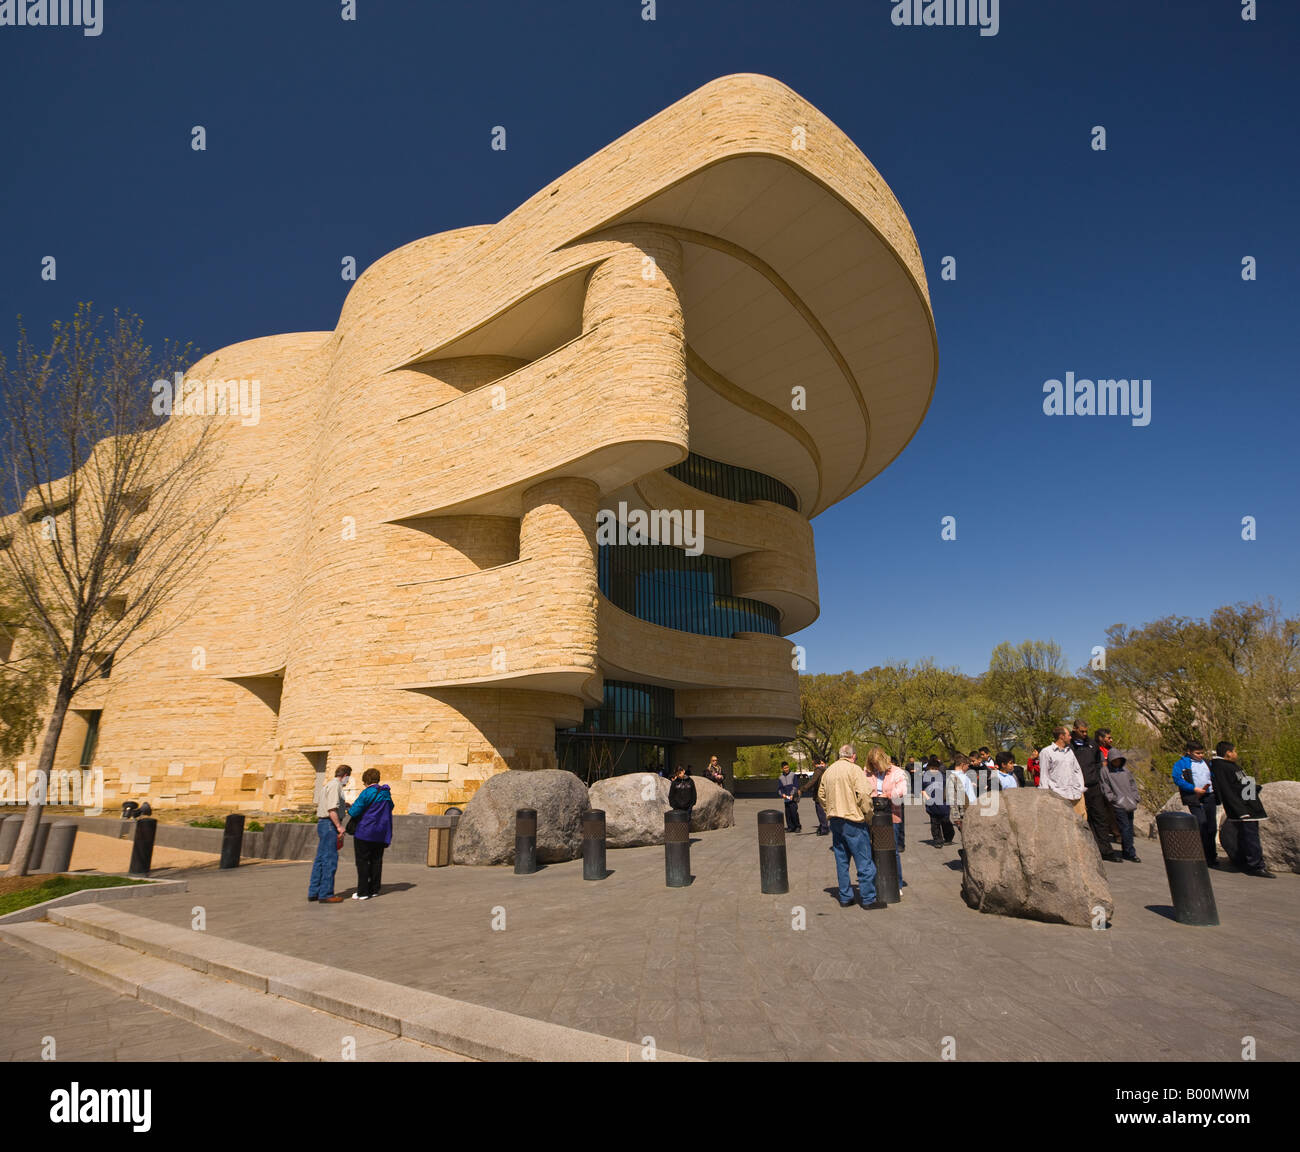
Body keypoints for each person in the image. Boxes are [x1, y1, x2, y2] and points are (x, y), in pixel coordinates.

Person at [817, 744, 885, 910]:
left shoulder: (829, 771)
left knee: (842, 861)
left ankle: (845, 897)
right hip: (853, 820)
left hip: (835, 820)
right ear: (853, 756)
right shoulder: (854, 770)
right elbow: (863, 795)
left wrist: (830, 810)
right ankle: (869, 899)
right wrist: (868, 815)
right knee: (864, 861)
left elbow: (821, 795)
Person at [1208, 742, 1273, 877]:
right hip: (1243, 809)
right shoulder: (1221, 767)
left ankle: (1248, 862)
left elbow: (1241, 784)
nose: (1236, 754)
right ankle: (1255, 866)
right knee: (1250, 837)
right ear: (1228, 753)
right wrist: (1240, 810)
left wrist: (1255, 788)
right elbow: (1227, 790)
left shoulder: (1230, 766)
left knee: (1247, 836)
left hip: (1248, 806)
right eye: (1235, 751)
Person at [1070, 720, 1121, 862]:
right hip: (1077, 788)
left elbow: (1100, 762)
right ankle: (1084, 851)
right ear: (1074, 729)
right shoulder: (1069, 746)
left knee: (1100, 817)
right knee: (1080, 819)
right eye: (1082, 731)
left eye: (1086, 731)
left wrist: (1098, 776)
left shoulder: (1092, 744)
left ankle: (1106, 850)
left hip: (1093, 785)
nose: (1085, 734)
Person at [308, 764, 351, 904]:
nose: (348, 780)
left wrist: (345, 805)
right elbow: (332, 809)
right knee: (330, 860)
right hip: (329, 825)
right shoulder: (336, 786)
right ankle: (326, 893)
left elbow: (332, 804)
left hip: (322, 824)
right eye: (348, 777)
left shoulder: (328, 785)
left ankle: (314, 891)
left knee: (320, 859)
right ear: (345, 775)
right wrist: (339, 826)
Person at [348, 768, 394, 899]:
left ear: (366, 780)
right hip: (381, 833)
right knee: (376, 861)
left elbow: (354, 811)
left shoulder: (367, 793)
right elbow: (390, 807)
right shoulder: (386, 794)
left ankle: (362, 892)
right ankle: (374, 889)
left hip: (365, 831)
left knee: (362, 861)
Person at [1171, 740, 1218, 866]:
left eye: (1202, 753)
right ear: (1189, 752)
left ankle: (1212, 856)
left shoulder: (1207, 763)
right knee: (1201, 823)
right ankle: (1202, 854)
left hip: (1209, 795)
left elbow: (1214, 776)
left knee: (1211, 827)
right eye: (1198, 753)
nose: (1200, 755)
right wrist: (1192, 788)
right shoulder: (1182, 764)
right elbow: (1177, 779)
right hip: (1194, 796)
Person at [867, 747, 907, 882]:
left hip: (892, 814)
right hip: (873, 815)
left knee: (892, 850)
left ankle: (897, 883)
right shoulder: (867, 772)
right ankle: (878, 880)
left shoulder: (897, 772)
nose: (875, 766)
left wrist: (887, 795)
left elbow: (903, 789)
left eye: (876, 763)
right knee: (874, 849)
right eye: (872, 763)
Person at [1098, 754, 1141, 862]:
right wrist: (1113, 799)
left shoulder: (1125, 771)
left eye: (1119, 760)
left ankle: (1127, 850)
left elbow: (1133, 784)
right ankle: (1130, 852)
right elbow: (1105, 786)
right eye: (1115, 760)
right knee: (1125, 828)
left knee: (1129, 828)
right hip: (1118, 804)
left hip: (1130, 803)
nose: (1117, 762)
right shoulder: (1105, 771)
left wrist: (1136, 797)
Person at [1039, 726, 1086, 817]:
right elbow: (1044, 776)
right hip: (1060, 796)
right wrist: (1045, 796)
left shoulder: (1069, 751)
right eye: (1068, 735)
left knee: (1082, 824)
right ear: (1061, 736)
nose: (1070, 737)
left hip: (1076, 795)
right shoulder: (1046, 752)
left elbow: (1077, 770)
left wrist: (1081, 788)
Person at [921, 755, 954, 846]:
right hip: (931, 804)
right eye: (931, 768)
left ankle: (948, 837)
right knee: (935, 823)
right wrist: (927, 798)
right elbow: (922, 790)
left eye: (935, 769)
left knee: (945, 821)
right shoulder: (925, 778)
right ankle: (938, 840)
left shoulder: (944, 777)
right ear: (928, 768)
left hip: (943, 804)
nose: (933, 771)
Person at [800, 758, 831, 835]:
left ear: (814, 763)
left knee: (820, 812)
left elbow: (813, 781)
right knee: (822, 811)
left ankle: (824, 828)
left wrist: (802, 789)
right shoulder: (824, 770)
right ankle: (823, 826)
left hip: (819, 794)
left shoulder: (818, 770)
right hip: (824, 793)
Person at [947, 755, 977, 830]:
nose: (968, 767)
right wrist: (956, 816)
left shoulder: (961, 776)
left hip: (968, 808)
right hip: (966, 809)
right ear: (962, 765)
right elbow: (952, 798)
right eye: (967, 765)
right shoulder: (959, 778)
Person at [777, 761, 802, 833]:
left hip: (793, 798)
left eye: (787, 767)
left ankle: (797, 826)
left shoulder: (793, 775)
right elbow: (780, 789)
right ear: (782, 769)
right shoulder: (780, 778)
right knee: (788, 814)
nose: (786, 769)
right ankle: (790, 827)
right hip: (786, 799)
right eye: (785, 768)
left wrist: (792, 794)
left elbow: (796, 786)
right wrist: (782, 794)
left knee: (794, 812)